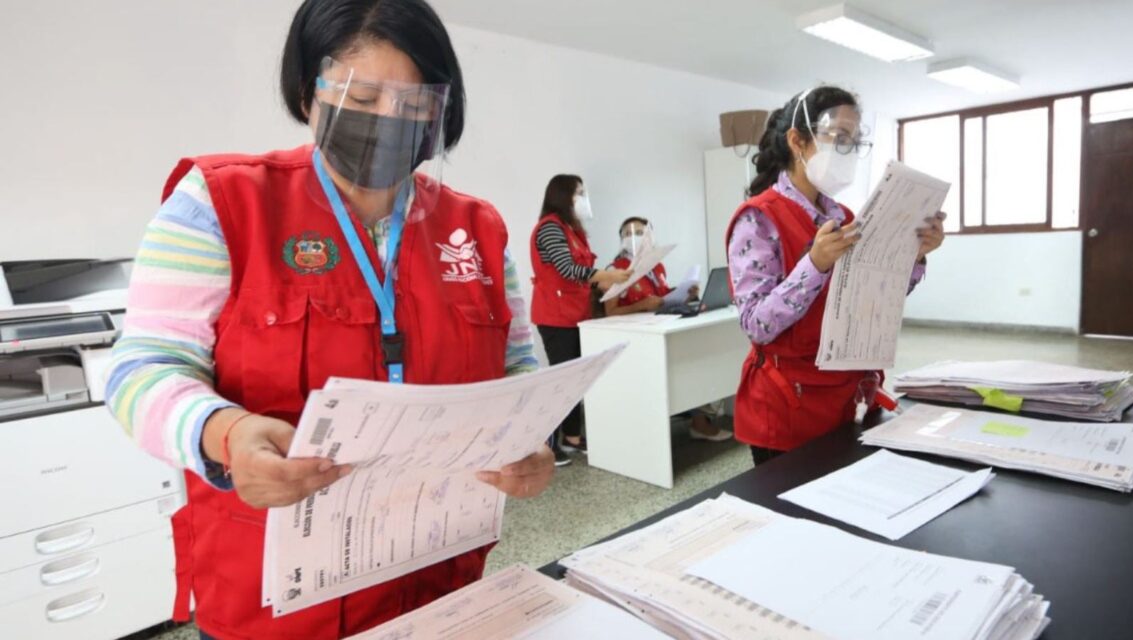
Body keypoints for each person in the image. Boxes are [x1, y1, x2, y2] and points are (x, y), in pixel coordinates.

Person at [104, 2, 554, 637]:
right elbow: (139, 370)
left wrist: (531, 440)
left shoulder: (476, 230)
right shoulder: (223, 202)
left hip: (439, 582)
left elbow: (518, 364)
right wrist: (225, 434)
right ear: (306, 93)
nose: (388, 121)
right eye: (363, 95)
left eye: (416, 103)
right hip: (275, 597)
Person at [725, 86, 946, 466]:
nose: (848, 150)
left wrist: (915, 255)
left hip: (847, 395)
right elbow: (756, 324)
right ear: (797, 140)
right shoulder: (758, 218)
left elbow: (873, 297)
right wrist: (814, 264)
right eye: (839, 138)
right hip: (788, 403)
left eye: (855, 141)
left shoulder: (843, 215)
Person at [530, 175, 631, 465]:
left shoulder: (573, 230)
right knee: (562, 382)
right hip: (555, 316)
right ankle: (548, 442)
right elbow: (567, 268)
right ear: (563, 196)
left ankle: (573, 437)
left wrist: (614, 282)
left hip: (576, 314)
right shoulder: (550, 228)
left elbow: (585, 271)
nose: (584, 199)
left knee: (577, 380)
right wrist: (608, 276)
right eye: (579, 193)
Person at [606, 218, 732, 442]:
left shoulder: (656, 267)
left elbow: (663, 296)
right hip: (634, 340)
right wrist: (641, 306)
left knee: (692, 358)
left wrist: (685, 293)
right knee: (681, 365)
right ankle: (697, 421)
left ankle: (699, 419)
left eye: (640, 232)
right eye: (627, 232)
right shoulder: (615, 270)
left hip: (660, 328)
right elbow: (610, 311)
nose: (633, 237)